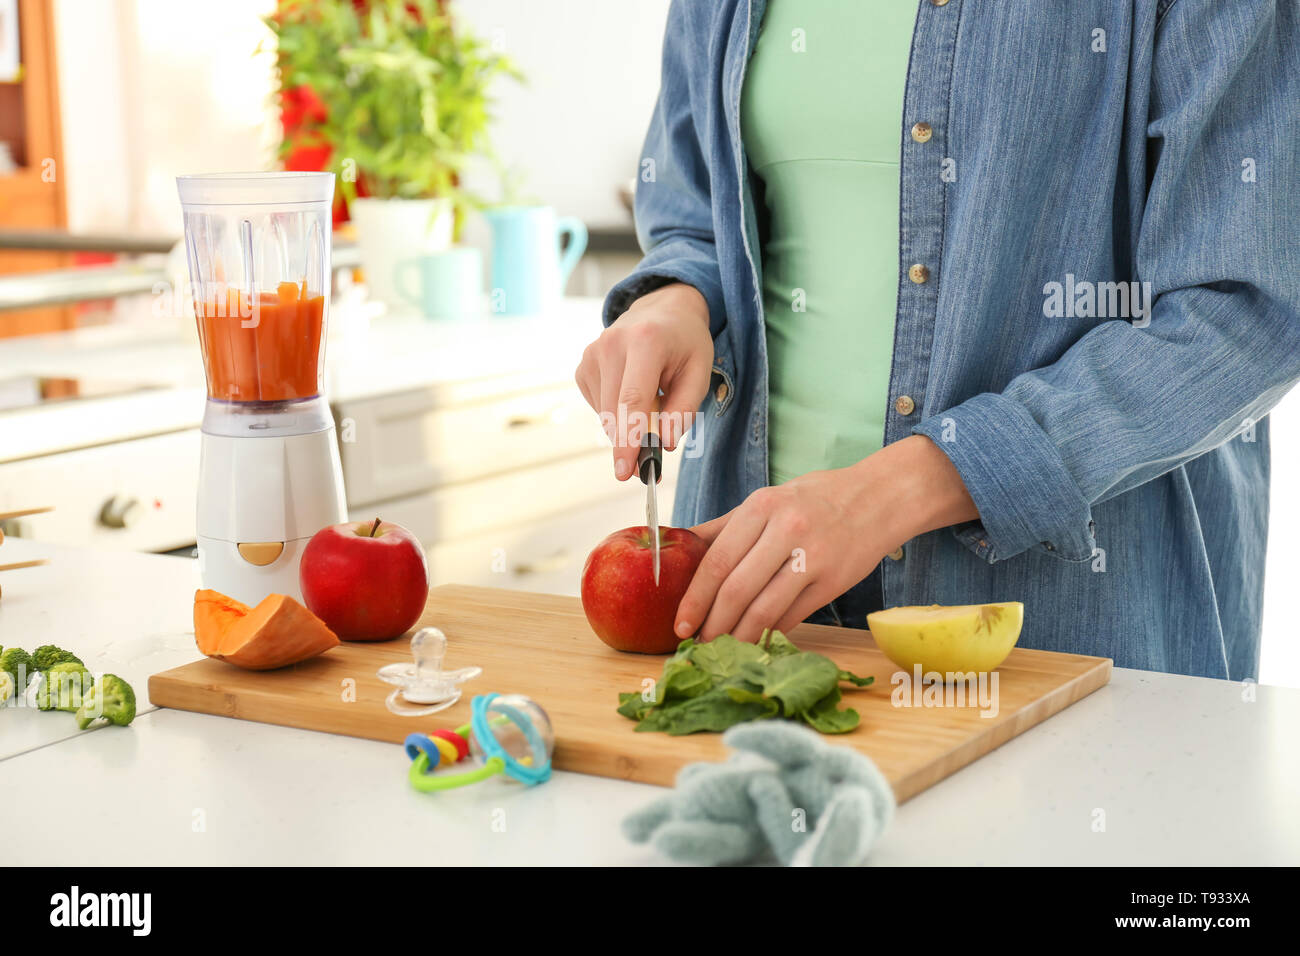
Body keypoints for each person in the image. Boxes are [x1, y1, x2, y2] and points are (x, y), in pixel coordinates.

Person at [574, 0, 1300, 680]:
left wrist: (887, 496)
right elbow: (693, 205)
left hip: (1065, 621)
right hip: (750, 607)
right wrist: (675, 298)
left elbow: (1247, 306)